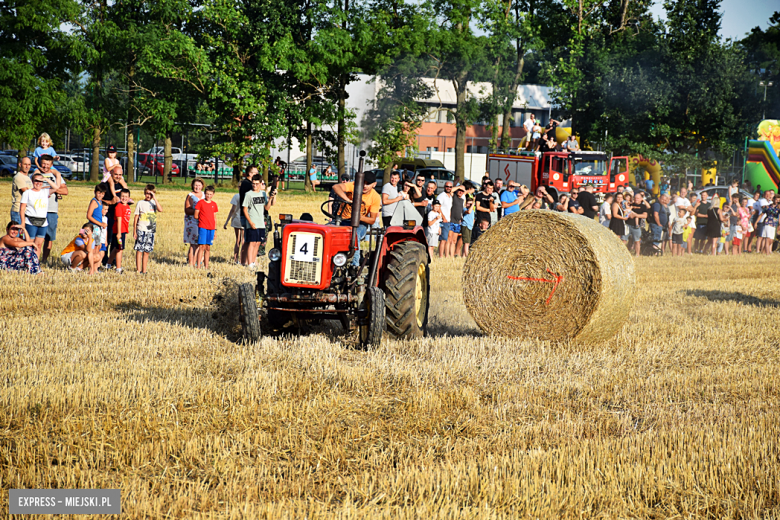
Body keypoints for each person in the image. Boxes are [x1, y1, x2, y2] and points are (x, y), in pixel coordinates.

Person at [331, 171, 382, 267]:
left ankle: (354, 266)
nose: (365, 186)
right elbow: (336, 187)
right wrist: (348, 200)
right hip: (341, 220)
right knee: (326, 232)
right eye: (363, 182)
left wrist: (359, 217)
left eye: (368, 184)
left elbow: (372, 220)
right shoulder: (354, 185)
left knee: (355, 234)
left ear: (374, 185)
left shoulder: (375, 197)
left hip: (360, 223)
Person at [32, 155, 68, 263]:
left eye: (48, 164)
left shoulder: (55, 175)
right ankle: (35, 259)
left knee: (49, 236)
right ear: (40, 163)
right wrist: (51, 189)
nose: (45, 166)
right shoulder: (36, 174)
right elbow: (33, 189)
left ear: (51, 165)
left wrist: (52, 190)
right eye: (43, 163)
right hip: (38, 210)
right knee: (38, 236)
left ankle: (44, 260)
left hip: (52, 210)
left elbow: (65, 191)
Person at [19, 172, 61, 256]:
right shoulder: (27, 193)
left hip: (43, 222)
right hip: (30, 221)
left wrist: (46, 179)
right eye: (36, 181)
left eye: (40, 181)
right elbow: (22, 209)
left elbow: (56, 187)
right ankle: (27, 262)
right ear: (32, 181)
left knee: (38, 245)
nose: (38, 183)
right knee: (29, 244)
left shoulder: (45, 192)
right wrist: (23, 223)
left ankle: (35, 263)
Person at [243, 176, 275, 269]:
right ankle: (249, 263)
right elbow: (245, 209)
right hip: (252, 221)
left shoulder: (263, 194)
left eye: (257, 184)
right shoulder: (248, 194)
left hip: (261, 222)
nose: (254, 185)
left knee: (258, 243)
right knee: (252, 242)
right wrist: (250, 222)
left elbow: (267, 208)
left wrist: (270, 199)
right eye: (253, 183)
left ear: (261, 183)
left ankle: (253, 261)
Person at [133, 184, 162, 274]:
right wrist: (135, 231)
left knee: (147, 251)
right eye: (146, 193)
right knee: (139, 250)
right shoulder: (140, 203)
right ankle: (138, 270)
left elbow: (160, 209)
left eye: (150, 194)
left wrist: (155, 198)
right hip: (141, 229)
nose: (148, 196)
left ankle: (144, 270)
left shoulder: (153, 203)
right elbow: (136, 217)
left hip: (150, 230)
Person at [104, 165, 129, 264]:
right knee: (108, 239)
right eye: (116, 174)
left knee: (116, 242)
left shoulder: (121, 186)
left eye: (120, 175)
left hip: (119, 219)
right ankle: (104, 259)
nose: (118, 177)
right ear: (111, 174)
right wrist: (111, 202)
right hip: (109, 216)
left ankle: (112, 261)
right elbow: (99, 201)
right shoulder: (105, 186)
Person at [107, 189, 132, 273]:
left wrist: (125, 232)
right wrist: (119, 233)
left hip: (123, 231)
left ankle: (108, 264)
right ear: (119, 197)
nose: (124, 198)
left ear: (129, 198)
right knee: (119, 249)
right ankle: (118, 268)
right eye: (122, 196)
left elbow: (126, 221)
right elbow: (119, 220)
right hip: (119, 231)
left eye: (126, 196)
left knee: (115, 248)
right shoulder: (119, 206)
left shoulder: (127, 206)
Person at [194, 185, 218, 269]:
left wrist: (215, 230)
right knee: (201, 246)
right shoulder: (200, 203)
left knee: (208, 247)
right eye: (207, 194)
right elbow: (196, 215)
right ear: (205, 194)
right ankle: (198, 266)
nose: (209, 196)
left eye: (210, 194)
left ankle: (206, 266)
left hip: (211, 228)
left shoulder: (214, 204)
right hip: (203, 227)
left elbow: (215, 218)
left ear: (213, 194)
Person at [184, 177, 206, 267]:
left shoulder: (205, 195)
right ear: (192, 186)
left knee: (200, 243)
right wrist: (198, 211)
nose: (197, 187)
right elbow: (187, 210)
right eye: (195, 185)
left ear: (202, 186)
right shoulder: (190, 195)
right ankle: (191, 263)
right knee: (193, 243)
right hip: (192, 221)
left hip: (203, 221)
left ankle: (198, 261)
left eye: (199, 185)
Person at [86, 184, 108, 267]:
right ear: (95, 192)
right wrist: (100, 224)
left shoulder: (100, 202)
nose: (101, 195)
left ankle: (95, 268)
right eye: (99, 193)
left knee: (98, 247)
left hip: (98, 228)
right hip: (94, 227)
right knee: (94, 248)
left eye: (102, 194)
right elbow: (89, 216)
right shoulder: (94, 201)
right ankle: (92, 267)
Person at [224, 191, 245, 264]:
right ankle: (242, 259)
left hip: (236, 219)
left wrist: (227, 221)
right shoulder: (247, 195)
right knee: (243, 241)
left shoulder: (236, 196)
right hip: (244, 219)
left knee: (237, 240)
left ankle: (235, 259)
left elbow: (232, 210)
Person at [11, 157, 33, 224]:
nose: (27, 166)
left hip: (26, 210)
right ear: (20, 165)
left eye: (29, 164)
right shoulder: (18, 177)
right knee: (18, 234)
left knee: (24, 233)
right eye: (25, 164)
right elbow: (27, 192)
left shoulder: (27, 178)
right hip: (18, 210)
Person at [436, 182, 455, 258]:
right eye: (447, 186)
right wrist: (443, 218)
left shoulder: (450, 196)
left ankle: (445, 256)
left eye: (450, 187)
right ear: (444, 187)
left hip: (448, 220)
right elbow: (438, 207)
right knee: (443, 239)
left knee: (446, 239)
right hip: (442, 220)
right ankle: (440, 256)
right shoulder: (441, 196)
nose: (448, 188)